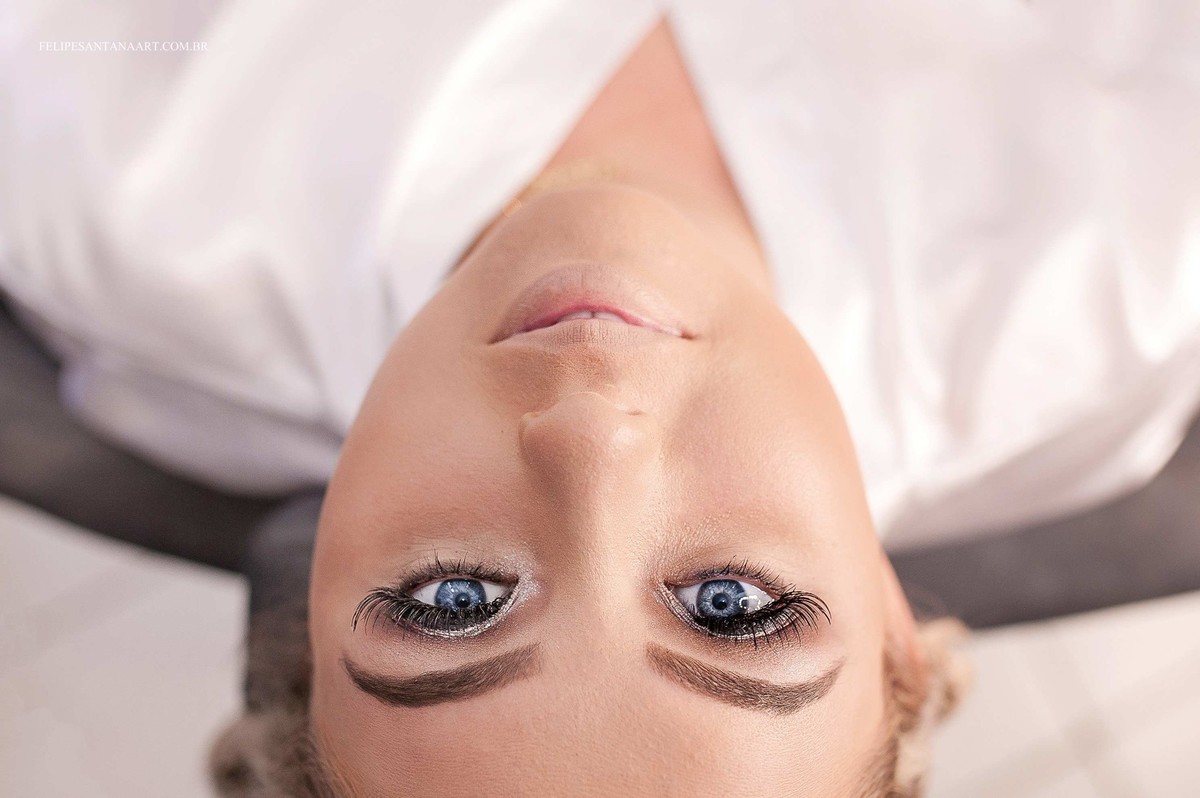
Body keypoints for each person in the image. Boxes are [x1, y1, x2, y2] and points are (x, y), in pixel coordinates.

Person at [4, 2, 1198, 795]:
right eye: (732, 606)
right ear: (891, 620)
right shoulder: (1135, 269)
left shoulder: (108, 183)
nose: (592, 437)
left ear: (308, 602)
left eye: (455, 598)